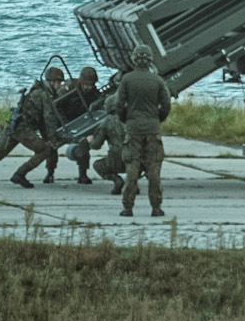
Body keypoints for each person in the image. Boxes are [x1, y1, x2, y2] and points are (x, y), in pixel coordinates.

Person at [0, 66, 64, 190]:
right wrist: (53, 139)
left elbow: (41, 120)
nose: (60, 86)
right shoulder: (44, 95)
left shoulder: (38, 91)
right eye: (59, 82)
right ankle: (20, 174)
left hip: (14, 126)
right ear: (52, 82)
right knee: (44, 150)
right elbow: (48, 119)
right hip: (23, 128)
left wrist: (47, 136)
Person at [116, 45, 171, 218]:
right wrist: (157, 119)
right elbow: (166, 104)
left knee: (132, 168)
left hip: (133, 129)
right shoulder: (157, 81)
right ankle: (156, 207)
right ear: (150, 60)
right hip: (152, 128)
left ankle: (128, 207)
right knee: (154, 168)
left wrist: (127, 119)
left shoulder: (127, 79)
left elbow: (119, 105)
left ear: (134, 59)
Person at [62, 66, 103, 186]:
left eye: (91, 85)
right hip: (68, 120)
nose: (88, 87)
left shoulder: (95, 94)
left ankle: (82, 174)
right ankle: (50, 173)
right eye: (86, 84)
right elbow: (58, 107)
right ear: (81, 82)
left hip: (85, 124)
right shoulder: (69, 90)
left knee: (84, 143)